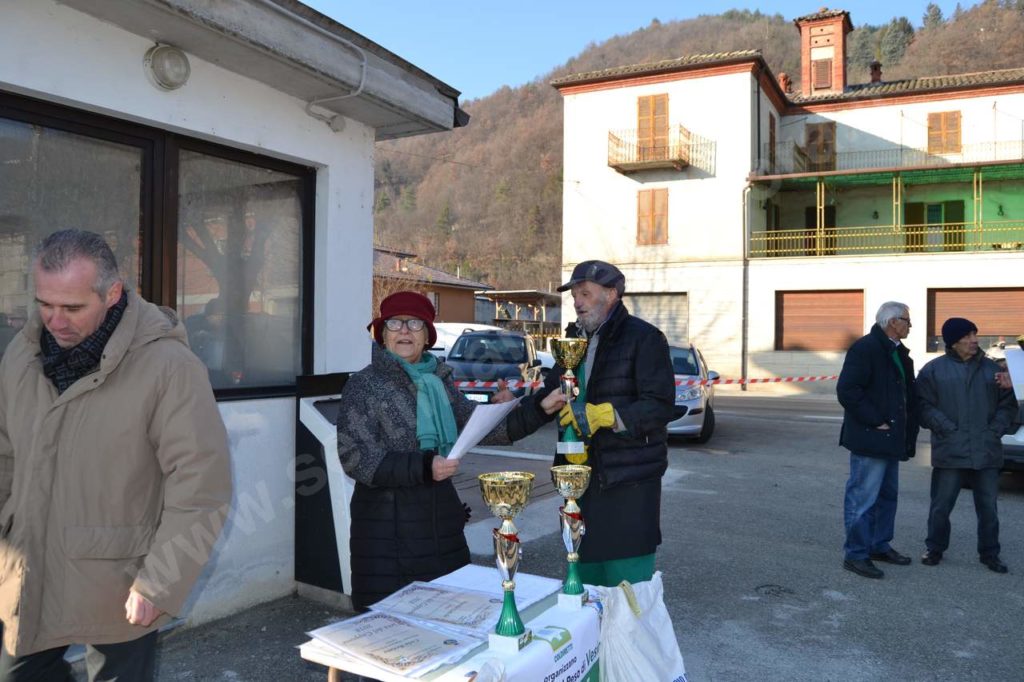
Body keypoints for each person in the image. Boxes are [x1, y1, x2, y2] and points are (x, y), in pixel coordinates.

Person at [0, 230, 232, 681]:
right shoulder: (21, 356)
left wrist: (161, 582)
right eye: (44, 303)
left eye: (71, 307)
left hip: (121, 581)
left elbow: (202, 485)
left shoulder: (169, 367)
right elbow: (4, 453)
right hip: (25, 569)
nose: (54, 320)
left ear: (112, 293)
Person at [336, 291, 565, 610]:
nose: (404, 330)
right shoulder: (364, 385)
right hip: (387, 534)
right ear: (382, 333)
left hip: (441, 522)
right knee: (393, 631)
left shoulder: (440, 381)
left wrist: (538, 408)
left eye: (414, 323)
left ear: (427, 336)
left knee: (449, 617)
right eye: (394, 323)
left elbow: (481, 428)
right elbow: (355, 458)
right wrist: (423, 466)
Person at [552, 260, 675, 587]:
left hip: (628, 488)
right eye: (574, 295)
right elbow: (550, 396)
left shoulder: (645, 338)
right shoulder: (571, 342)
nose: (577, 302)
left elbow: (660, 406)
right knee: (583, 594)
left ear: (611, 294)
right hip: (579, 485)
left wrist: (609, 415)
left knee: (628, 598)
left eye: (585, 294)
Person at [916, 317, 1017, 573]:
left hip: (986, 450)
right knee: (941, 506)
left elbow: (1008, 405)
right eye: (968, 335)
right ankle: (935, 548)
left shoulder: (992, 369)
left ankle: (990, 553)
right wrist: (946, 427)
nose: (974, 340)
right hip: (950, 449)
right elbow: (923, 406)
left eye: (975, 334)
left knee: (988, 509)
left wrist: (994, 430)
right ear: (953, 341)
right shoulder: (933, 370)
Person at [836, 301, 919, 579]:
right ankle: (856, 554)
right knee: (863, 497)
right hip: (872, 437)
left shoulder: (898, 352)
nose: (910, 325)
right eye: (907, 320)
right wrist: (876, 420)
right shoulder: (866, 349)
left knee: (887, 496)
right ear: (893, 322)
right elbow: (848, 390)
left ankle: (878, 545)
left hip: (892, 438)